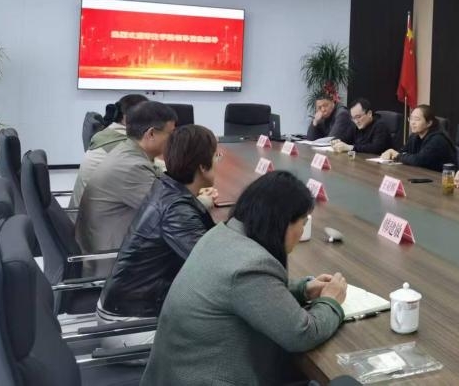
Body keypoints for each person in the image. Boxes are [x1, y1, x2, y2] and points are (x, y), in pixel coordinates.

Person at [140, 171, 347, 386]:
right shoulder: (251, 265)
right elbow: (302, 334)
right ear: (283, 222)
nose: (302, 231)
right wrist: (330, 301)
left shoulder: (223, 234)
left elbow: (244, 294)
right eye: (302, 222)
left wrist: (303, 289)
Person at [96, 125, 220, 342]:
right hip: (130, 324)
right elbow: (216, 269)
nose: (218, 161)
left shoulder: (167, 187)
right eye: (216, 156)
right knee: (234, 333)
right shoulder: (176, 210)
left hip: (127, 307)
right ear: (202, 166)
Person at [75, 101, 177, 260]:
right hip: (112, 260)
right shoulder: (131, 167)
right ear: (151, 134)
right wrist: (201, 201)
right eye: (171, 134)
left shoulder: (128, 150)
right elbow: (171, 214)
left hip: (110, 244)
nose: (174, 140)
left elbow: (160, 181)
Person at [70, 94, 148, 208]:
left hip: (85, 212)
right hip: (94, 216)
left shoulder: (107, 134)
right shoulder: (122, 145)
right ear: (126, 118)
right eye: (149, 117)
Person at [381, 104, 456, 171]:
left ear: (429, 123)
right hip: (422, 174)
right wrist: (392, 153)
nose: (412, 122)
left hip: (440, 178)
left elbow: (419, 160)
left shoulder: (438, 139)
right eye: (411, 119)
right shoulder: (414, 136)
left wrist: (397, 155)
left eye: (417, 119)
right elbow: (403, 152)